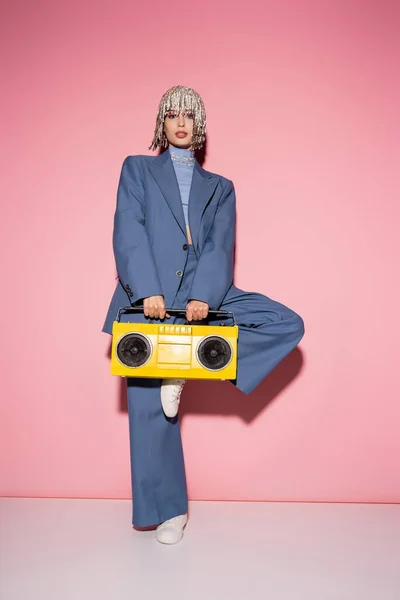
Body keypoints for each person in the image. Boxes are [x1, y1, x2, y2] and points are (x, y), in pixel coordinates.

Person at [102, 85, 305, 544]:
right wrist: (148, 290)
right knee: (150, 415)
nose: (180, 122)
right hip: (148, 302)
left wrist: (205, 298)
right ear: (161, 121)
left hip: (202, 298)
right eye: (172, 114)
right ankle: (169, 511)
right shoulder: (136, 169)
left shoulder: (221, 188)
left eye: (189, 115)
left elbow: (219, 246)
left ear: (200, 125)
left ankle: (192, 364)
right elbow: (127, 228)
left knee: (286, 323)